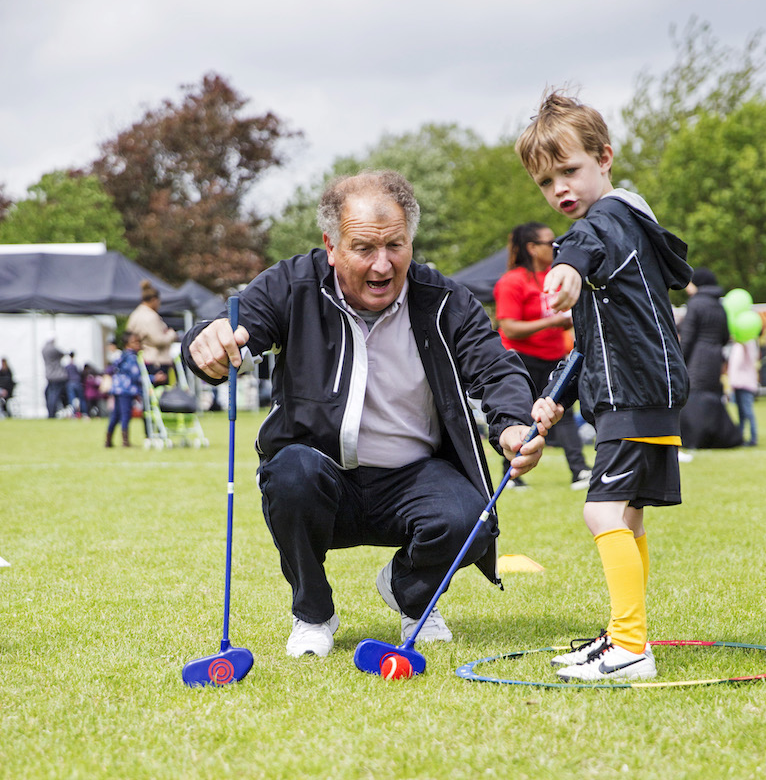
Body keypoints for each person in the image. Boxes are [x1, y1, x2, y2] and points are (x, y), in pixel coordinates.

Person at [182, 170, 563, 659]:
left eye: (396, 245)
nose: (383, 264)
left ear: (411, 241)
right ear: (331, 245)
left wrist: (512, 423)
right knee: (290, 473)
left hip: (415, 477)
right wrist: (205, 343)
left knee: (472, 518)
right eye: (364, 247)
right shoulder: (292, 284)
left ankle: (409, 591)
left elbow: (494, 366)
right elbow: (229, 330)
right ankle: (313, 612)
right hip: (320, 478)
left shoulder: (446, 301)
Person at [517, 90, 692, 682]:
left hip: (635, 396)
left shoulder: (609, 220)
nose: (560, 188)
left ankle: (630, 648)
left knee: (602, 512)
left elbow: (581, 248)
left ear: (605, 158)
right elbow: (589, 343)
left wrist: (563, 267)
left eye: (570, 170)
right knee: (631, 516)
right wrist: (557, 395)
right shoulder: (617, 226)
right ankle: (624, 634)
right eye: (547, 181)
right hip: (643, 394)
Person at [494, 221, 592, 490]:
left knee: (563, 412)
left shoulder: (557, 275)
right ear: (533, 248)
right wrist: (552, 323)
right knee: (522, 415)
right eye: (550, 242)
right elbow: (509, 327)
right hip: (520, 358)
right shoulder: (512, 282)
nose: (556, 246)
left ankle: (580, 470)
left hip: (553, 356)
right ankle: (511, 474)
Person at [678, 268, 742, 449]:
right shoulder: (720, 306)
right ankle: (721, 437)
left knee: (694, 400)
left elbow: (688, 337)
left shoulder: (695, 304)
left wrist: (679, 359)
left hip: (697, 360)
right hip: (715, 360)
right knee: (712, 400)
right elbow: (725, 336)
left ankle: (694, 439)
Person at [126, 280, 178, 382]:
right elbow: (158, 340)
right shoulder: (151, 316)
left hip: (142, 360)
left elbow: (127, 335)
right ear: (154, 300)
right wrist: (172, 334)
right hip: (156, 361)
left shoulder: (134, 315)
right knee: (160, 395)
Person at [105, 332, 144, 447]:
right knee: (125, 414)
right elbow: (136, 375)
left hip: (117, 388)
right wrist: (154, 378)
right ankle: (125, 442)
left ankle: (108, 441)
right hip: (126, 389)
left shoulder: (122, 355)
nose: (137, 344)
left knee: (116, 415)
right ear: (127, 344)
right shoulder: (132, 357)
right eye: (134, 342)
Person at [727, 337, 760, 446]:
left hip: (745, 383)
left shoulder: (749, 343)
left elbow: (751, 358)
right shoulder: (737, 346)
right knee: (741, 413)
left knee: (747, 411)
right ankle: (740, 437)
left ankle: (753, 438)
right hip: (737, 383)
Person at [41, 337, 68, 418]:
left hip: (50, 376)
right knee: (54, 396)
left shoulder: (43, 349)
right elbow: (62, 353)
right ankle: (52, 414)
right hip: (57, 377)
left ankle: (51, 413)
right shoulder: (53, 349)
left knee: (49, 394)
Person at [65, 352, 88, 418]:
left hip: (70, 382)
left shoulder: (67, 365)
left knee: (72, 399)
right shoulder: (77, 364)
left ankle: (74, 413)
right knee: (81, 398)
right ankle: (84, 413)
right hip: (77, 382)